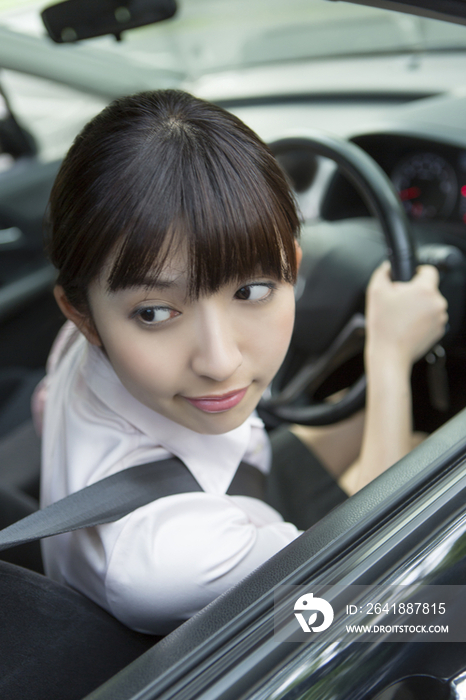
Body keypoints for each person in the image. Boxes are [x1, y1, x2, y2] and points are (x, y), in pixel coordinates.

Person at [37, 89, 447, 636]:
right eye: (156, 313)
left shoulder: (79, 347)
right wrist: (390, 355)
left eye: (253, 291)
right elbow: (371, 599)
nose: (219, 360)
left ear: (292, 270)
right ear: (82, 314)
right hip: (246, 555)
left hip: (231, 484)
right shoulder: (170, 560)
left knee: (415, 433)